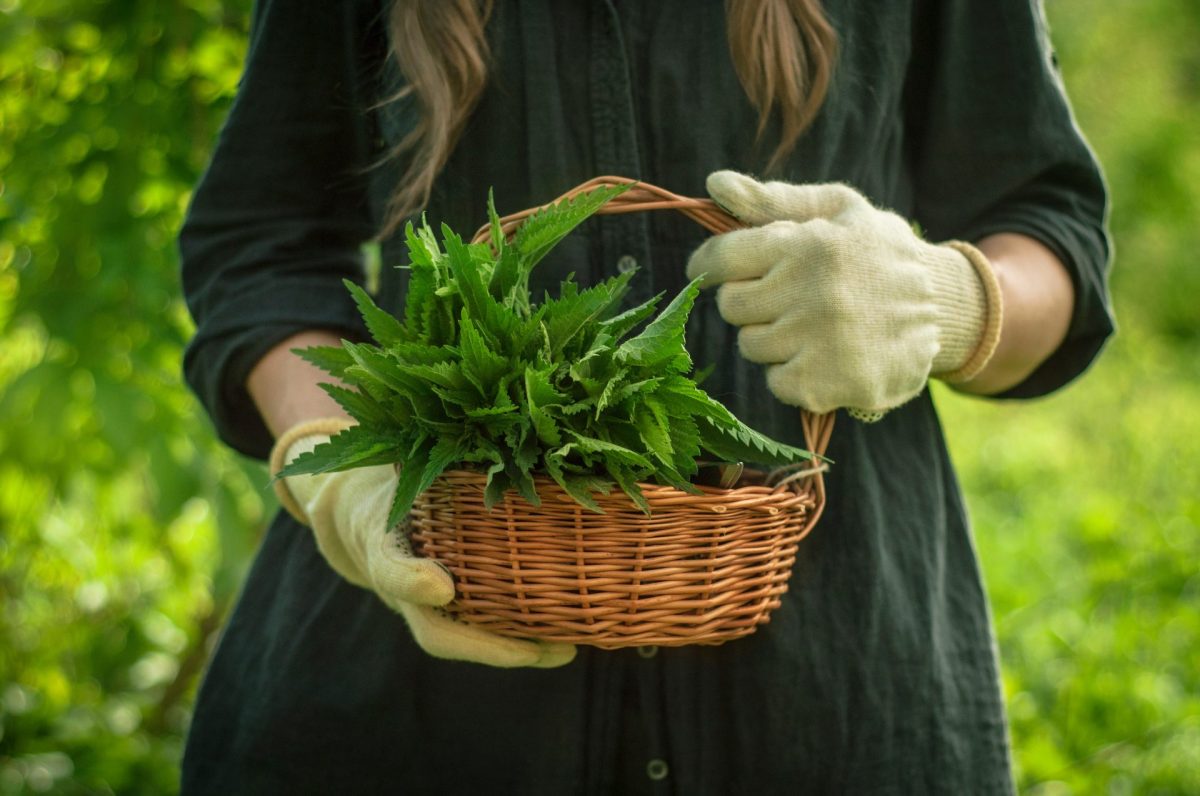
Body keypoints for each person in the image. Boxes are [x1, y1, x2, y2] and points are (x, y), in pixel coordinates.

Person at [178, 1, 1112, 792]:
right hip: (414, 679)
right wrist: (338, 471)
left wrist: (948, 301)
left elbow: (1049, 229)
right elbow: (264, 241)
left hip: (832, 691)